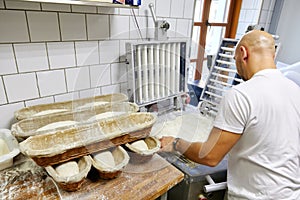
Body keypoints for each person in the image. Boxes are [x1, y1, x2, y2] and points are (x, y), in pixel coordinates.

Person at [159, 30, 300, 199]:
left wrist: (176, 143)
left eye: (235, 60)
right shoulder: (295, 90)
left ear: (243, 53)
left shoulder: (241, 94)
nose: (237, 68)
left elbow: (210, 155)